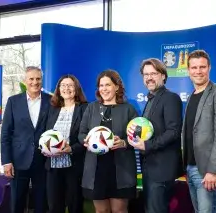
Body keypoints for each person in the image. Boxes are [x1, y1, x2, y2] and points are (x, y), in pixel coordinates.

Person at [128, 58, 183, 213]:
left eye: (153, 73)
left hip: (161, 170)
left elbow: (173, 131)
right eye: (146, 74)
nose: (149, 78)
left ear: (163, 76)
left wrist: (147, 145)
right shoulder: (151, 99)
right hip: (150, 168)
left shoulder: (170, 98)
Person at [79, 70, 138, 213]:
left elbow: (136, 137)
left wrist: (124, 142)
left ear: (116, 87)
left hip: (121, 169)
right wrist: (85, 141)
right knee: (101, 211)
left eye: (108, 85)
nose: (104, 89)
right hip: (96, 169)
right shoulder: (91, 108)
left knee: (120, 210)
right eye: (101, 85)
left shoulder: (128, 109)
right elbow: (81, 134)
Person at [182, 50, 216, 213]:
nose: (198, 71)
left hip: (208, 170)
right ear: (188, 71)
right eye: (194, 68)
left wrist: (213, 171)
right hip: (191, 168)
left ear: (209, 68)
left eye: (202, 67)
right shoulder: (191, 96)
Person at [1, 66, 51, 213]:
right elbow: (5, 134)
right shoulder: (13, 101)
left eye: (38, 79)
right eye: (31, 79)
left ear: (42, 80)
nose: (35, 82)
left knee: (41, 203)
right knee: (17, 202)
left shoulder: (51, 101)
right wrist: (7, 161)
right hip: (18, 161)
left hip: (43, 160)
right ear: (25, 80)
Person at [45, 74, 88, 213]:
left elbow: (87, 137)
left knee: (75, 206)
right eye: (63, 85)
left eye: (70, 85)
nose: (66, 88)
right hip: (53, 165)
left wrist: (71, 149)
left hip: (74, 166)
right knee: (54, 207)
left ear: (76, 89)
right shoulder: (52, 108)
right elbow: (44, 134)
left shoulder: (84, 108)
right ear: (58, 89)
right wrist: (44, 146)